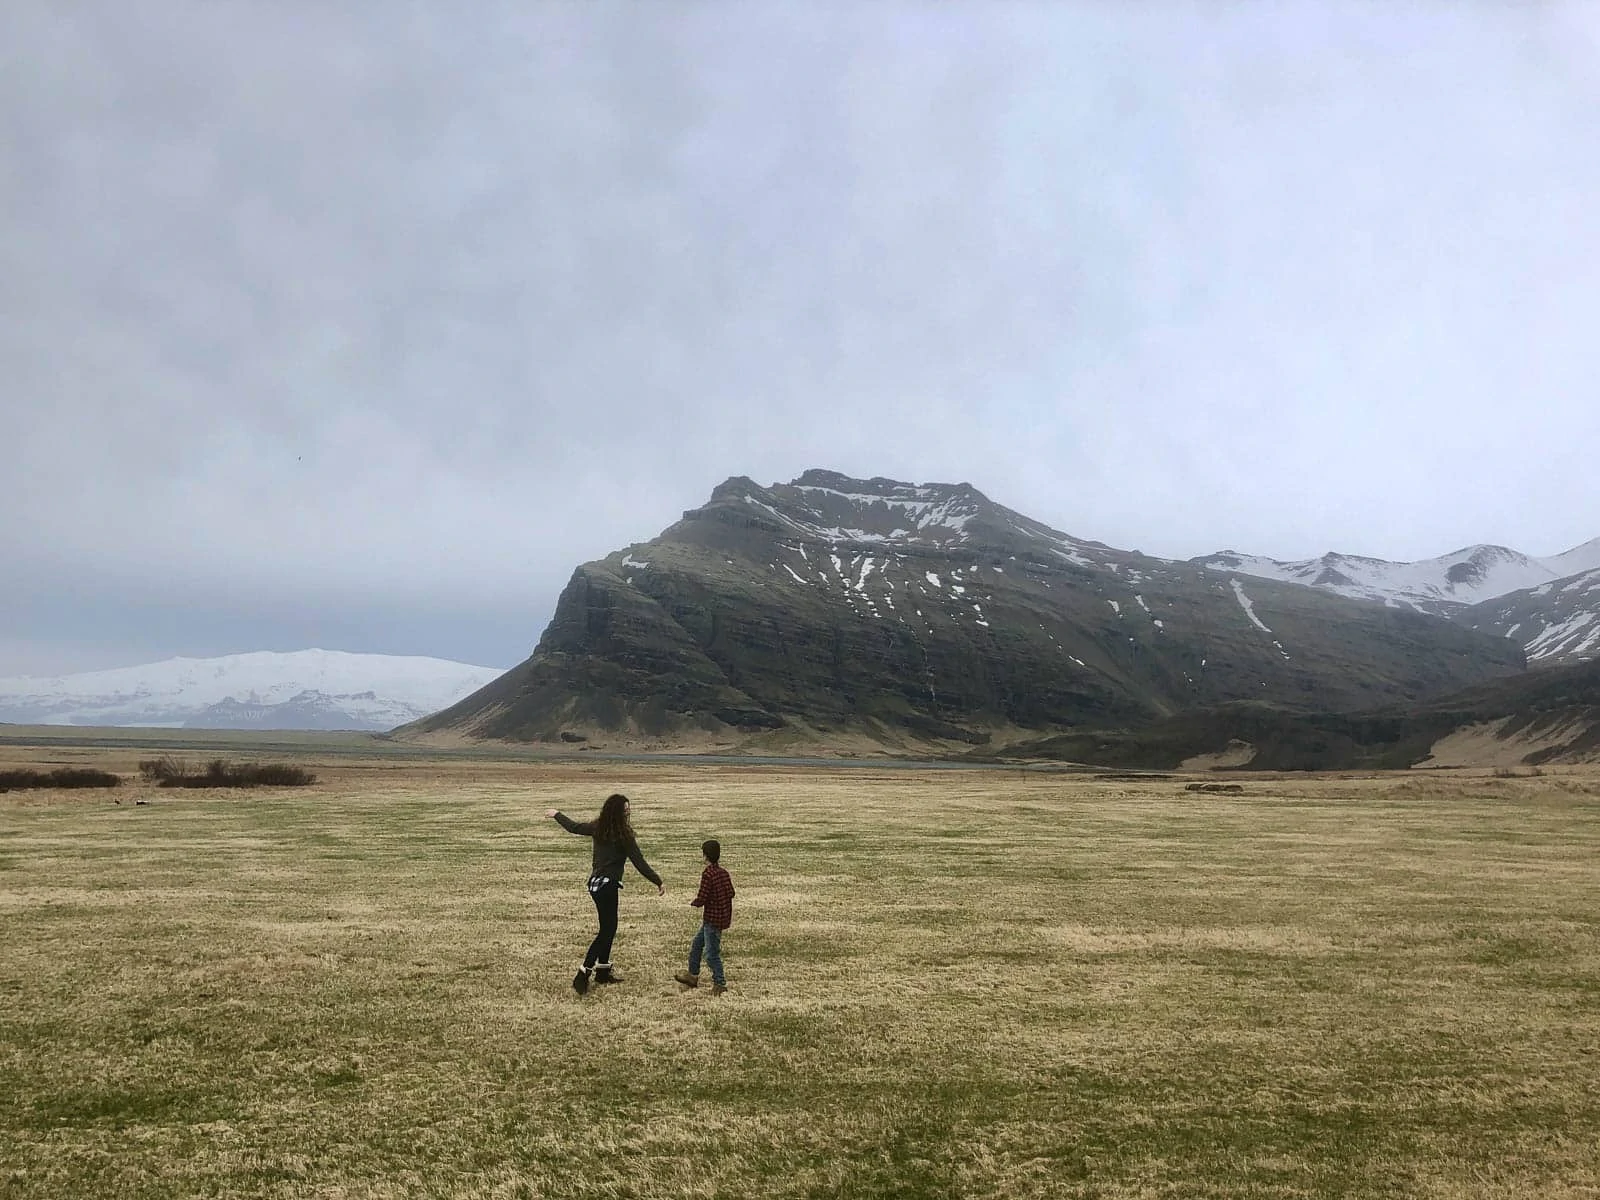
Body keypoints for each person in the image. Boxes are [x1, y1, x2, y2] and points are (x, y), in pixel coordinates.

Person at [546, 793, 663, 995]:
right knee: (606, 931)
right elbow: (639, 862)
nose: (628, 813)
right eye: (625, 810)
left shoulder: (597, 827)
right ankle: (583, 973)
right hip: (607, 886)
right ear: (618, 813)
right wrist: (658, 881)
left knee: (609, 927)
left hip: (595, 885)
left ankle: (602, 971)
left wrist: (557, 814)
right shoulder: (624, 836)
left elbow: (573, 827)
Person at [675, 839, 734, 996]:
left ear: (705, 856)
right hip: (721, 918)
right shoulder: (724, 873)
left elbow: (702, 897)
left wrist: (694, 903)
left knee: (711, 953)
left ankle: (720, 983)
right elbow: (731, 893)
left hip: (712, 920)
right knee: (696, 945)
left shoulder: (708, 874)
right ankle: (692, 975)